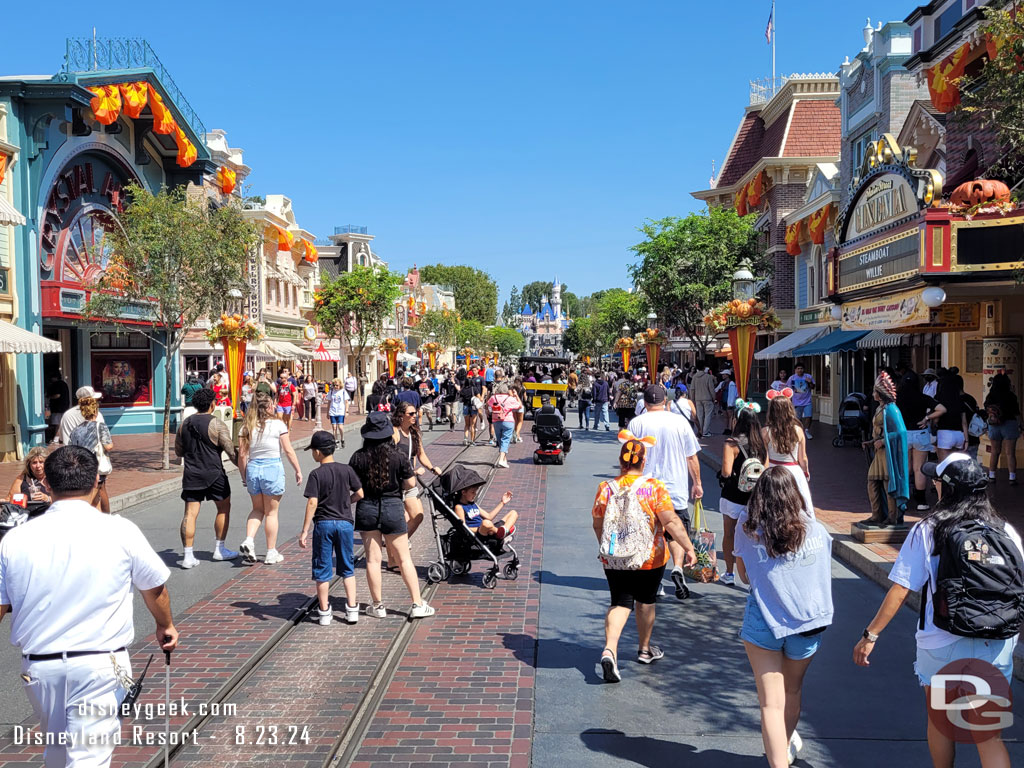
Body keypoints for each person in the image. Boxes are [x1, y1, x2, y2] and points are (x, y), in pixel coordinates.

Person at [0, 446, 177, 768]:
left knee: (56, 753)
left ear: (47, 485)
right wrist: (165, 625)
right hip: (101, 663)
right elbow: (155, 587)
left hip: (40, 667)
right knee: (88, 758)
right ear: (97, 481)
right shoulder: (120, 530)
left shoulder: (15, 540)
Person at [854, 453, 1022, 768]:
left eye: (936, 479)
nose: (932, 482)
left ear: (946, 488)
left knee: (941, 721)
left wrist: (870, 634)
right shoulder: (1006, 532)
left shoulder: (930, 528)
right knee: (988, 734)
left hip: (943, 642)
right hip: (996, 641)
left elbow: (902, 587)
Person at [735, 467, 834, 768]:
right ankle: (783, 746)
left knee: (770, 702)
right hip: (807, 621)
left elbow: (742, 574)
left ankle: (777, 760)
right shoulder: (815, 529)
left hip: (764, 618)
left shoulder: (747, 526)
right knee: (792, 691)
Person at [592, 432, 697, 682]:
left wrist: (606, 547)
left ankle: (610, 650)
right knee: (646, 601)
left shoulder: (605, 489)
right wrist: (688, 547)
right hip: (649, 556)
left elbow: (598, 523)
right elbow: (670, 521)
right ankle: (645, 650)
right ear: (644, 461)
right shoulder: (655, 488)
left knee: (619, 603)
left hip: (615, 557)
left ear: (622, 461)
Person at [349, 412, 436, 619]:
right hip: (392, 507)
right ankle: (416, 603)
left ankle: (378, 606)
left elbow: (353, 485)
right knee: (404, 558)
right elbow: (410, 484)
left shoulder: (358, 457)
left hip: (367, 508)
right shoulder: (398, 455)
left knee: (372, 559)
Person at [627, 384, 703, 600]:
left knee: (651, 536)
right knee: (676, 532)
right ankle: (678, 568)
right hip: (675, 488)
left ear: (646, 403)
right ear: (665, 402)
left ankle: (656, 580)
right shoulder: (679, 422)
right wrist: (697, 482)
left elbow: (630, 458)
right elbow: (691, 456)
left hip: (645, 490)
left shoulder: (637, 423)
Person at [299, 431, 363, 626]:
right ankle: (352, 609)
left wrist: (304, 530)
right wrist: (346, 501)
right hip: (344, 523)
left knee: (322, 568)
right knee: (347, 567)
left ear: (317, 452)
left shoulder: (316, 474)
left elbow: (312, 503)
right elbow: (360, 493)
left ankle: (325, 611)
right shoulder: (346, 470)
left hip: (324, 523)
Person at [174, 387, 239, 568]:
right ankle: (220, 549)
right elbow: (231, 451)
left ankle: (188, 556)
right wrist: (243, 469)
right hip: (214, 473)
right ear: (213, 404)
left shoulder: (184, 424)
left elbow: (178, 450)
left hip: (192, 473)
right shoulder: (217, 424)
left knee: (190, 514)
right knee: (223, 508)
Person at [238, 393, 303, 564]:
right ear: (268, 407)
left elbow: (242, 456)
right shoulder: (277, 425)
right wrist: (297, 470)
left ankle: (249, 540)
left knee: (257, 509)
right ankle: (271, 551)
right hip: (271, 468)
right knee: (271, 513)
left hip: (253, 468)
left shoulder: (246, 427)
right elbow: (288, 450)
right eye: (272, 404)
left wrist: (244, 476)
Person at [718, 400, 768, 586]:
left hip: (733, 494)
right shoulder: (761, 443)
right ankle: (752, 573)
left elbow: (726, 472)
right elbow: (765, 469)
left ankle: (730, 573)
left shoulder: (732, 443)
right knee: (753, 534)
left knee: (729, 533)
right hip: (754, 497)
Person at [862, 372, 911, 528]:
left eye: (876, 391)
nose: (873, 394)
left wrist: (884, 440)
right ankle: (877, 515)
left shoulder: (891, 410)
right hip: (880, 452)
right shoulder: (880, 408)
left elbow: (901, 432)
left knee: (887, 483)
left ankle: (892, 517)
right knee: (873, 481)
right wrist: (872, 441)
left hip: (889, 454)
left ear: (881, 394)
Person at [391, 401, 443, 542]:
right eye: (411, 414)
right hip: (395, 482)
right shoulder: (395, 432)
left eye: (415, 413)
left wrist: (432, 468)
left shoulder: (415, 433)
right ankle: (397, 547)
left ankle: (400, 542)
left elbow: (421, 454)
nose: (415, 416)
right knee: (401, 519)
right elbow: (389, 457)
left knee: (418, 515)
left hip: (410, 481)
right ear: (401, 416)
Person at [763, 392, 814, 519]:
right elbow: (803, 458)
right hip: (794, 471)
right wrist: (806, 472)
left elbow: (764, 458)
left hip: (774, 470)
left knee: (774, 506)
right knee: (800, 506)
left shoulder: (765, 431)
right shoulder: (798, 430)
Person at [897, 370, 938, 511]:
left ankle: (903, 500)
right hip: (920, 433)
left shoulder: (897, 398)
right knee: (919, 469)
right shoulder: (923, 397)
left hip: (904, 434)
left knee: (905, 468)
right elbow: (941, 409)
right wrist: (927, 418)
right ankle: (921, 501)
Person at [68, 396, 113, 514]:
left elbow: (71, 447)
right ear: (96, 411)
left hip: (81, 465)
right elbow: (108, 446)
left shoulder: (76, 430)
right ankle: (104, 516)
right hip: (95, 464)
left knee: (92, 490)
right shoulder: (100, 426)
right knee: (100, 489)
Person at [984, 372, 1020, 486]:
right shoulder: (1011, 396)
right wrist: (1021, 425)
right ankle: (1012, 477)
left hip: (994, 425)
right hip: (1009, 424)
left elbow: (986, 408)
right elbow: (1017, 413)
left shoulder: (991, 396)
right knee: (1010, 453)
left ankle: (992, 476)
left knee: (994, 451)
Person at [926, 372, 967, 461]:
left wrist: (933, 429)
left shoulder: (939, 397)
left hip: (944, 433)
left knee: (944, 466)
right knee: (956, 465)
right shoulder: (959, 399)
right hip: (959, 435)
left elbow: (936, 419)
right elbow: (964, 422)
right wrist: (966, 440)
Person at [487, 381, 522, 469]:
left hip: (496, 421)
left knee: (500, 441)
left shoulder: (493, 397)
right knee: (506, 440)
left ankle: (504, 460)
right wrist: (516, 395)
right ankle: (501, 459)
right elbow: (520, 406)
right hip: (508, 421)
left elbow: (488, 404)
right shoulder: (510, 398)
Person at [786, 364, 816, 439]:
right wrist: (789, 400)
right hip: (796, 401)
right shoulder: (792, 378)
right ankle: (799, 432)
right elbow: (788, 390)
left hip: (807, 401)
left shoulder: (808, 376)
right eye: (798, 368)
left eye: (801, 368)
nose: (800, 370)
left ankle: (806, 431)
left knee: (808, 416)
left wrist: (809, 382)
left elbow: (813, 387)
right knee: (797, 418)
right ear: (795, 370)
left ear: (804, 369)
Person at [690, 364, 716, 438]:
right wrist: (714, 398)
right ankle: (705, 431)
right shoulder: (708, 377)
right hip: (707, 398)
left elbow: (692, 389)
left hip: (698, 398)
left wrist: (692, 399)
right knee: (708, 415)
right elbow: (711, 389)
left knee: (700, 415)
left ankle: (701, 430)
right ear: (704, 368)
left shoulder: (694, 377)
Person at [45, 371, 70, 444]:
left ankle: (56, 439)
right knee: (60, 423)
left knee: (57, 423)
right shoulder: (64, 384)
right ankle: (60, 438)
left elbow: (57, 395)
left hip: (58, 408)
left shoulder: (57, 384)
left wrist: (49, 397)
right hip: (64, 407)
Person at [327, 377, 349, 446]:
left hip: (340, 411)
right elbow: (329, 402)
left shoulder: (343, 391)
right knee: (334, 427)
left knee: (340, 427)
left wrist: (346, 411)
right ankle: (336, 441)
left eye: (337, 385)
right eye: (334, 385)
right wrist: (328, 412)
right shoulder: (331, 392)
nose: (335, 387)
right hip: (333, 411)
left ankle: (342, 438)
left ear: (340, 385)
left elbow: (346, 402)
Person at [460, 375, 479, 445]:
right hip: (473, 407)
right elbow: (479, 397)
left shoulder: (463, 389)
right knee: (472, 425)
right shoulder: (474, 389)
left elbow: (460, 398)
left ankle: (465, 438)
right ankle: (472, 440)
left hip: (465, 406)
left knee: (466, 424)